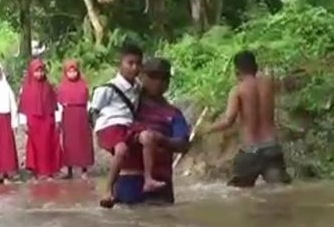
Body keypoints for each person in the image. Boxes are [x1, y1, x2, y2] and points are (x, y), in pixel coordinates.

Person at [101, 58, 192, 207]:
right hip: (128, 181)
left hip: (161, 183)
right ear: (141, 77)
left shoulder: (173, 113)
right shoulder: (127, 106)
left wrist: (161, 139)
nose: (158, 82)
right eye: (153, 76)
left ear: (168, 83)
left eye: (163, 78)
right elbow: (108, 127)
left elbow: (184, 145)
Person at [200, 50, 292, 187]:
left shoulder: (238, 90)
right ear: (255, 66)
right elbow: (285, 83)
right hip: (272, 147)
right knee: (280, 190)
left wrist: (207, 128)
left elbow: (228, 120)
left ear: (237, 70)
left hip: (250, 150)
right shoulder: (269, 84)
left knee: (238, 194)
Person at [90, 42, 166, 193]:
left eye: (138, 64)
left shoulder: (137, 89)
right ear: (120, 64)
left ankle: (148, 179)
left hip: (128, 127)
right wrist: (99, 135)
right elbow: (93, 112)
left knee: (148, 137)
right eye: (130, 63)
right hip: (110, 126)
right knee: (121, 150)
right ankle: (108, 189)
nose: (134, 68)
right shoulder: (106, 89)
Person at [19, 58, 62, 180]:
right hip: (33, 121)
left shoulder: (48, 86)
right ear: (31, 72)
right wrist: (23, 123)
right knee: (35, 146)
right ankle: (36, 171)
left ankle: (49, 171)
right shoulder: (26, 88)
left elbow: (55, 104)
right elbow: (23, 106)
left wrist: (57, 120)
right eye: (36, 71)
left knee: (48, 145)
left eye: (41, 71)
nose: (39, 74)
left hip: (47, 120)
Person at [57, 60, 94, 179]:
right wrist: (58, 120)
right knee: (69, 143)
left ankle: (84, 170)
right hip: (68, 116)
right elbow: (59, 104)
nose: (72, 74)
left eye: (74, 71)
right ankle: (69, 170)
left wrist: (90, 115)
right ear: (65, 72)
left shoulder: (83, 85)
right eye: (69, 71)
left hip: (81, 115)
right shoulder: (62, 86)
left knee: (83, 142)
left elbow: (88, 101)